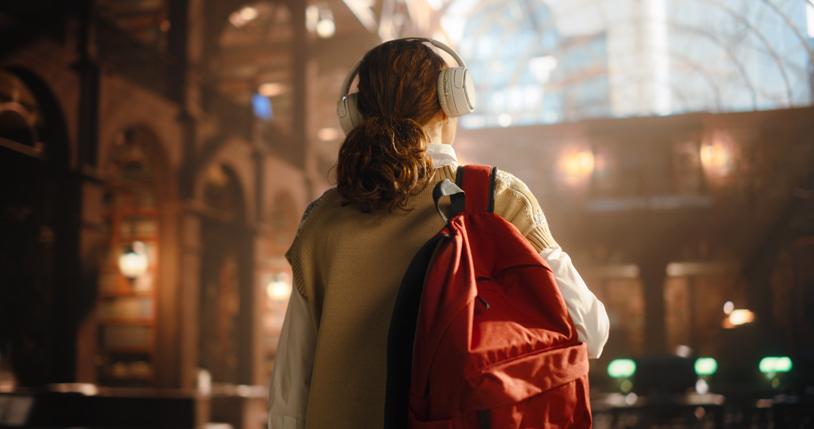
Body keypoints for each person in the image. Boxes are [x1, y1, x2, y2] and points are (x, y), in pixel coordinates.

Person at [268, 38, 609, 429]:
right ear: (453, 100)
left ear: (355, 114)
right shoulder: (494, 197)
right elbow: (591, 329)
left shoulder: (321, 220)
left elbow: (289, 396)